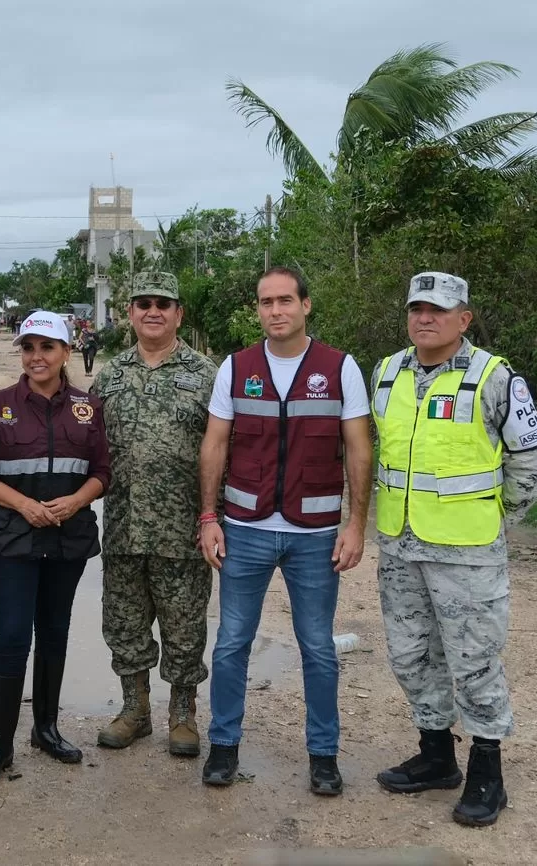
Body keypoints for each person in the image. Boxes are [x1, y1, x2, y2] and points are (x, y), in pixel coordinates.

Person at [370, 272, 537, 828]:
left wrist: (496, 519)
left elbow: (533, 463)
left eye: (439, 310)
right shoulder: (387, 372)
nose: (425, 319)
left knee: (473, 663)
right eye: (417, 308)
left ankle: (487, 774)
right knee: (411, 655)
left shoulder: (494, 378)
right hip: (401, 544)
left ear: (464, 318)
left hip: (468, 552)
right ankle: (436, 755)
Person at [196, 266, 373, 795]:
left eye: (285, 301)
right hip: (244, 528)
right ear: (258, 310)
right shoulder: (236, 367)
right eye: (266, 302)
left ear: (306, 306)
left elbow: (360, 450)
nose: (276, 311)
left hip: (315, 533)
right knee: (231, 644)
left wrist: (357, 524)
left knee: (317, 646)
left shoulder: (339, 368)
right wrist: (209, 517)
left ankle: (324, 755)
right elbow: (215, 445)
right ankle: (223, 746)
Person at [0, 310, 110, 789]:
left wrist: (76, 500)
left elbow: (103, 472)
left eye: (47, 347)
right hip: (13, 538)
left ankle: (46, 729)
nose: (36, 357)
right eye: (28, 348)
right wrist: (24, 504)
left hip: (67, 538)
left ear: (67, 352)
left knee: (54, 634)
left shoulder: (88, 407)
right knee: (10, 638)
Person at [89, 272, 214, 758]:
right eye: (143, 303)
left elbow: (224, 449)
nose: (153, 311)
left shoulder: (206, 374)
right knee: (125, 623)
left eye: (164, 303)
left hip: (183, 529)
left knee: (184, 627)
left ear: (179, 313)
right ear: (130, 313)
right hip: (123, 525)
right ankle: (134, 710)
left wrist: (213, 516)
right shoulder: (111, 375)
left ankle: (182, 714)